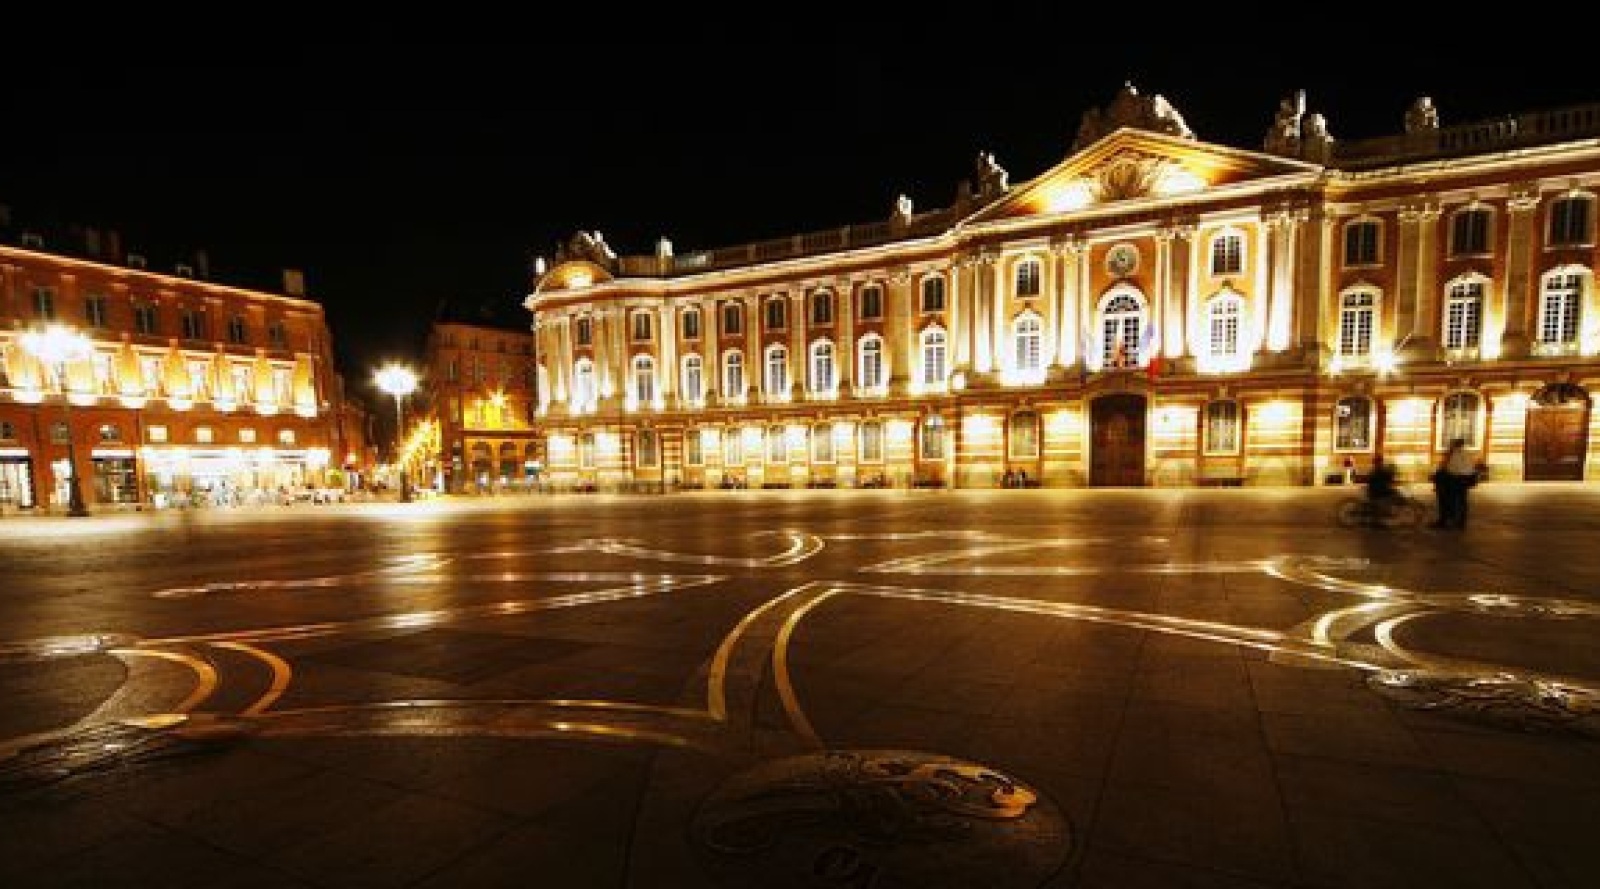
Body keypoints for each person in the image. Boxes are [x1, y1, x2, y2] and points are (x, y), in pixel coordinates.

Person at [1432, 438, 1478, 529]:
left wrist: (1445, 460)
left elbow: (1450, 469)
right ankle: (1460, 522)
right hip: (1464, 480)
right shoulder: (1467, 453)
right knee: (1462, 501)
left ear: (1455, 445)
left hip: (1455, 480)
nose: (1450, 446)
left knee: (1450, 501)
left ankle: (1448, 520)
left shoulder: (1455, 454)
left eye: (1451, 444)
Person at [1364, 454, 1399, 525]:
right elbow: (1387, 478)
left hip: (1375, 490)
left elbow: (1385, 479)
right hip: (1377, 491)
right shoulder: (1379, 470)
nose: (1381, 462)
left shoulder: (1376, 469)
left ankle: (1380, 516)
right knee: (1391, 495)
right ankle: (1378, 519)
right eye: (1380, 461)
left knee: (1390, 494)